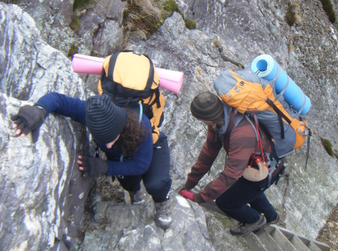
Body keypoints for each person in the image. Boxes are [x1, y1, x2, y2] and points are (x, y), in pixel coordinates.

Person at [11, 93, 172, 229]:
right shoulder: (92, 113)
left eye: (111, 139)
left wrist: (106, 166)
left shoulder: (140, 125)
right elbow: (57, 100)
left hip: (153, 145)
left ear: (121, 127)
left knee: (156, 183)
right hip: (126, 153)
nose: (108, 145)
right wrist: (39, 109)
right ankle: (136, 192)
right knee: (128, 181)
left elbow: (141, 165)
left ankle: (162, 202)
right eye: (103, 140)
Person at [179, 92, 282, 236]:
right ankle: (272, 217)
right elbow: (207, 155)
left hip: (264, 170)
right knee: (247, 191)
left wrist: (200, 197)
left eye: (202, 120)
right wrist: (189, 183)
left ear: (210, 118)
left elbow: (230, 175)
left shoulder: (241, 133)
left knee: (224, 201)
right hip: (251, 165)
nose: (202, 123)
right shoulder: (219, 122)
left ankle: (255, 220)